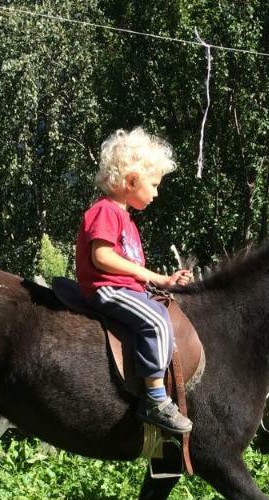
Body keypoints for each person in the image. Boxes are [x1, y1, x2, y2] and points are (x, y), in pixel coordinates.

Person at [76, 127, 194, 434]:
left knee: (162, 312)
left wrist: (164, 283)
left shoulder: (125, 219)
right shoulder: (105, 212)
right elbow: (102, 258)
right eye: (154, 184)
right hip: (106, 289)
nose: (156, 192)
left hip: (123, 289)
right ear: (131, 182)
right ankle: (155, 399)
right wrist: (153, 276)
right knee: (154, 322)